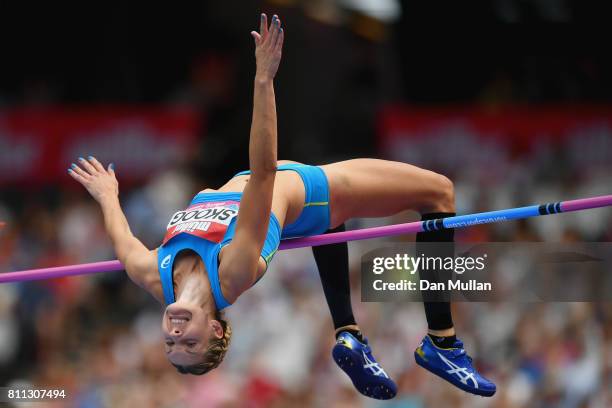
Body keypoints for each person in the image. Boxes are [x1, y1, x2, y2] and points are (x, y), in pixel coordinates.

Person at [68, 13, 495, 399]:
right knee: (439, 193)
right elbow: (263, 175)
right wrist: (263, 81)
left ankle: (350, 335)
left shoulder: (151, 275)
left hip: (295, 209)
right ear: (215, 328)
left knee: (334, 224)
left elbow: (121, 238)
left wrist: (107, 194)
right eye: (190, 343)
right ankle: (441, 341)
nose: (176, 334)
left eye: (170, 343)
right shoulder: (231, 272)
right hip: (312, 191)